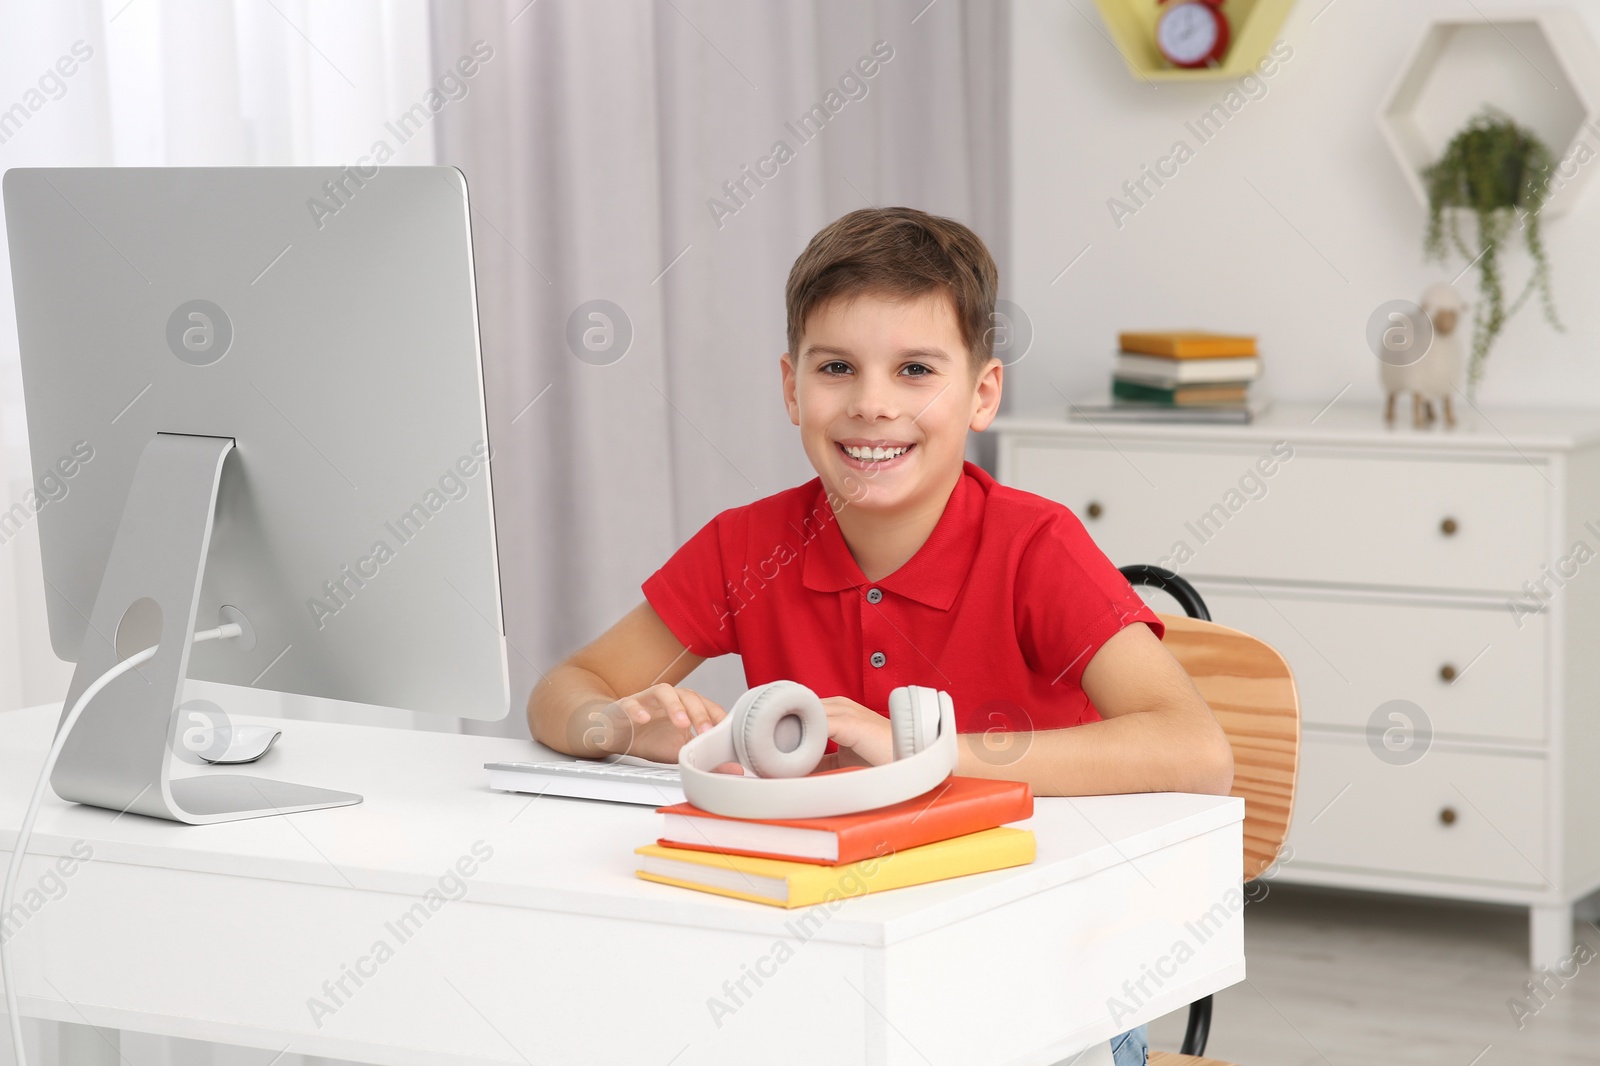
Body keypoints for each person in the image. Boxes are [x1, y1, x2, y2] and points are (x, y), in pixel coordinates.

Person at [529, 206, 1234, 1066]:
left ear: (981, 394)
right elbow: (563, 690)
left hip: (1034, 974)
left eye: (914, 370)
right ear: (791, 387)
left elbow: (1195, 750)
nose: (871, 404)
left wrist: (921, 758)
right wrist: (621, 731)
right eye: (837, 368)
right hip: (818, 966)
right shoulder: (745, 548)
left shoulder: (1036, 547)